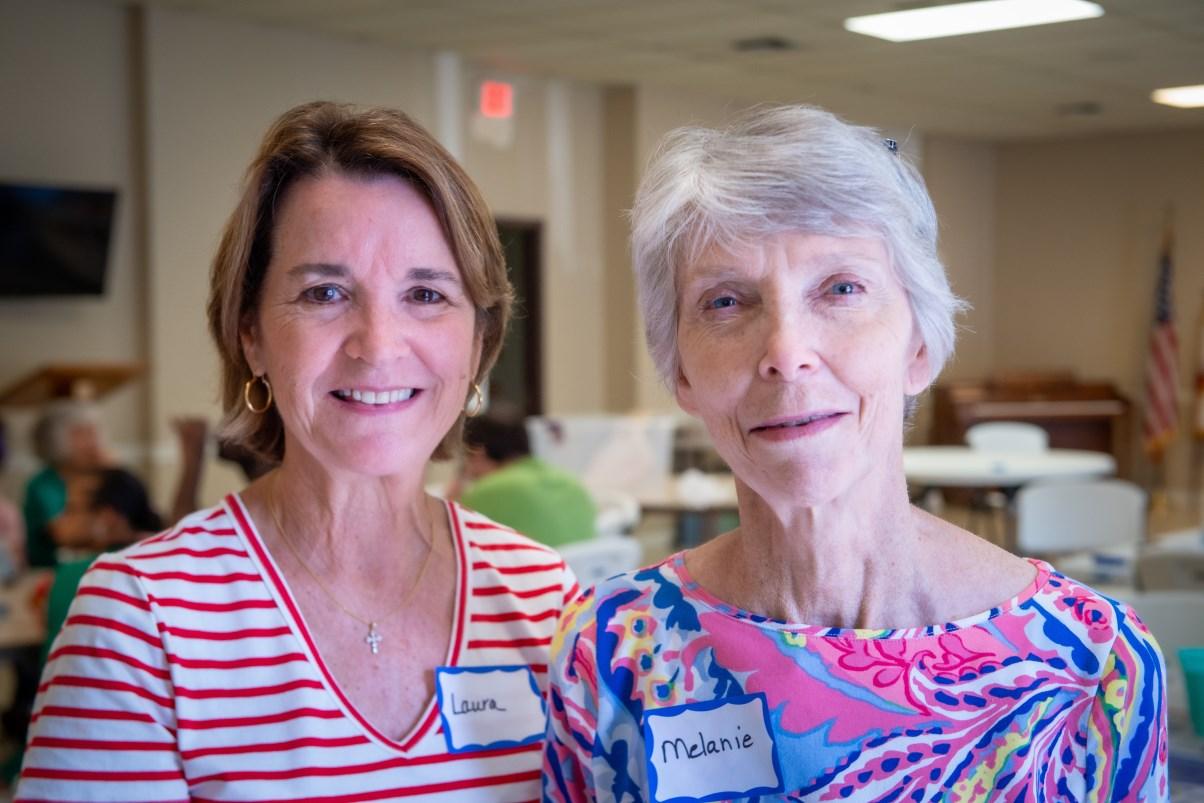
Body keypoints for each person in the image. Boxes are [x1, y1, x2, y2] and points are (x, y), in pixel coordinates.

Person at [543, 106, 1167, 802]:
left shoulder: (1093, 666)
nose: (786, 352)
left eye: (841, 288)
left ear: (920, 346)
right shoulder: (613, 654)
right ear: (680, 372)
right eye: (725, 302)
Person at [18, 101, 578, 801]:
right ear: (250, 333)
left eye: (426, 293)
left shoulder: (543, 598)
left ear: (479, 339)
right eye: (325, 292)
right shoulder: (138, 623)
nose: (378, 345)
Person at [457, 409, 596, 548]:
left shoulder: (488, 491)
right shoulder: (571, 483)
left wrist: (457, 490)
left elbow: (455, 536)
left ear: (478, 452)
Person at [21, 401, 107, 567]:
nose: (95, 442)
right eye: (83, 434)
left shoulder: (100, 477)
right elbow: (67, 534)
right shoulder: (43, 485)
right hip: (49, 572)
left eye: (94, 432)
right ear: (55, 440)